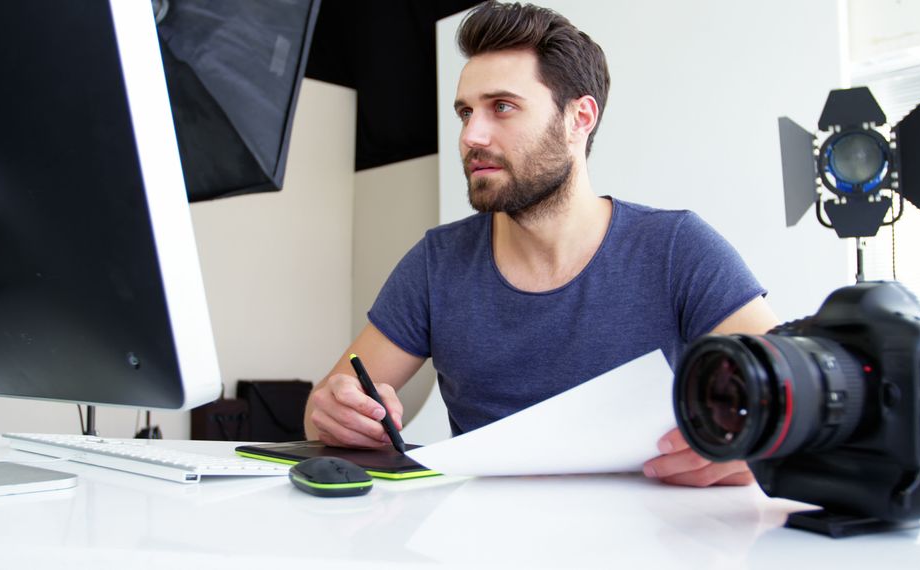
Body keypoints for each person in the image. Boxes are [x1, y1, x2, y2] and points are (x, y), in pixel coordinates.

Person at [304, 0, 779, 487]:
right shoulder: (436, 263)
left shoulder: (677, 248)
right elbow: (326, 407)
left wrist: (758, 443)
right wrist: (333, 411)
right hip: (479, 543)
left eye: (502, 107)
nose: (471, 135)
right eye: (465, 111)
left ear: (580, 118)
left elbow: (794, 391)